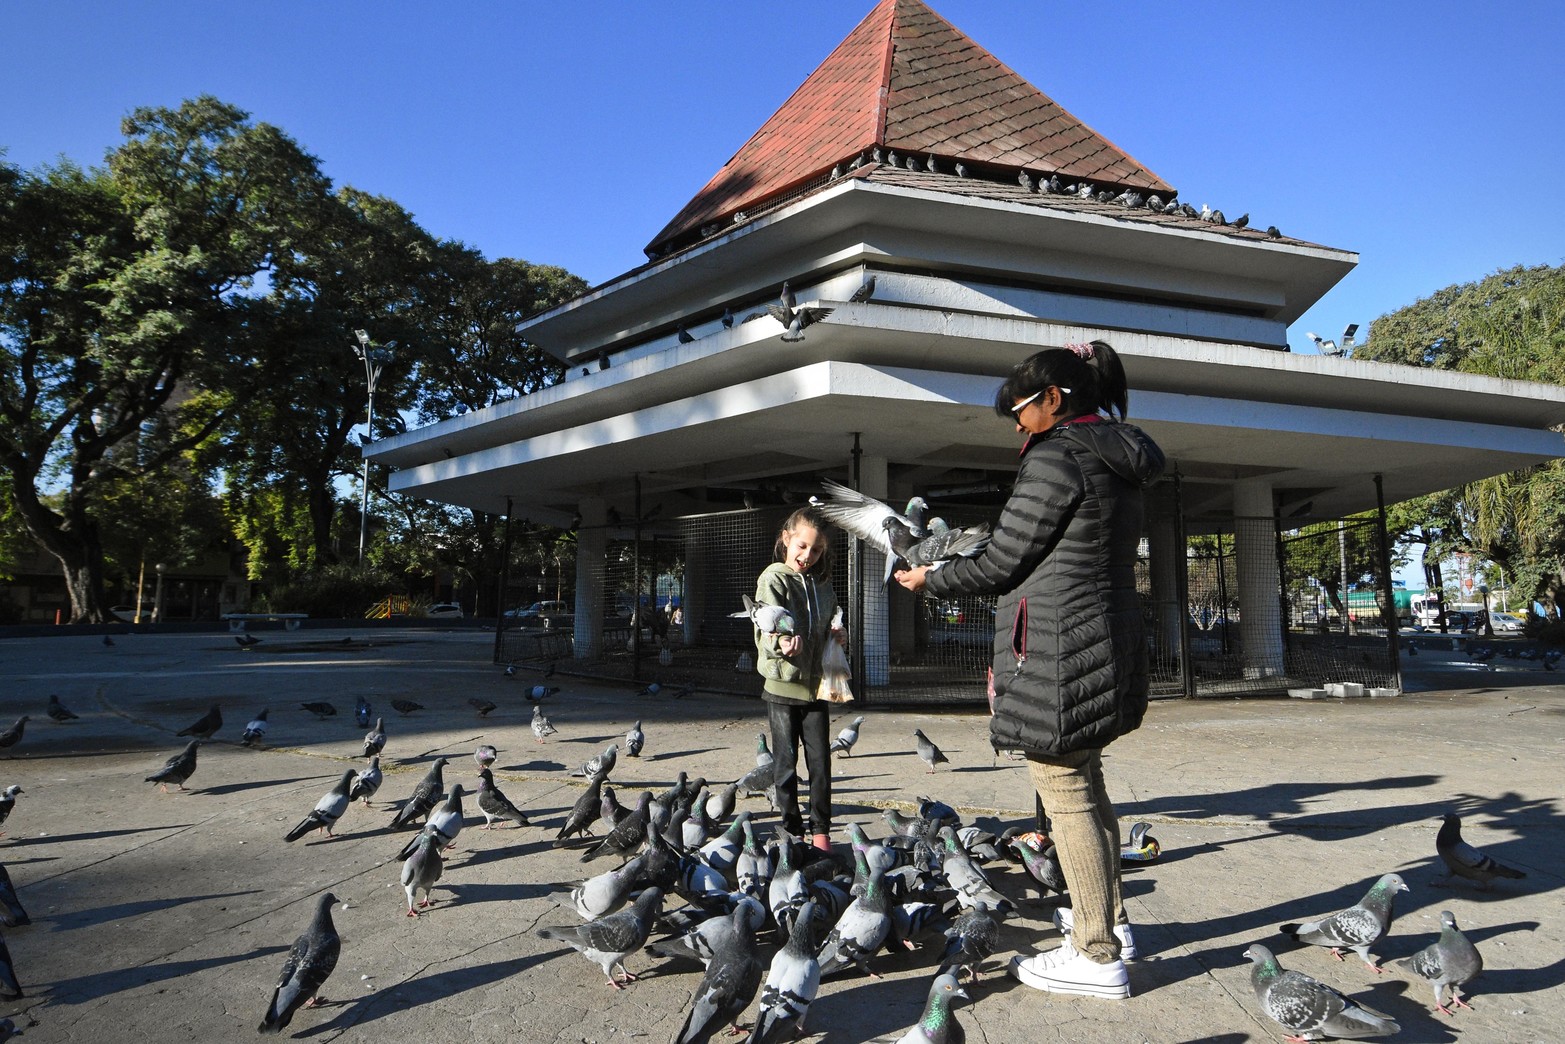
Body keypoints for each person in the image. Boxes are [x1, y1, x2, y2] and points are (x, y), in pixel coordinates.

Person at [895, 340, 1165, 1000]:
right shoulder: (1114, 453)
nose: (1017, 426)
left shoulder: (1057, 456)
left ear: (1052, 399)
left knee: (1064, 790)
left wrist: (931, 579)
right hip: (1100, 636)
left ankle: (1096, 954)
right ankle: (1111, 923)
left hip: (1059, 646)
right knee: (1085, 782)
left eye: (1019, 410)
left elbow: (1003, 560)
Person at [751, 505, 843, 852]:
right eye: (802, 546)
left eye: (816, 550)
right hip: (782, 687)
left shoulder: (823, 584)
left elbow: (831, 622)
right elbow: (763, 630)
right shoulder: (774, 579)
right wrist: (781, 643)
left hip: (817, 686)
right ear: (786, 539)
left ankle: (821, 833)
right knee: (785, 765)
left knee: (821, 763)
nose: (808, 556)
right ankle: (792, 833)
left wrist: (839, 635)